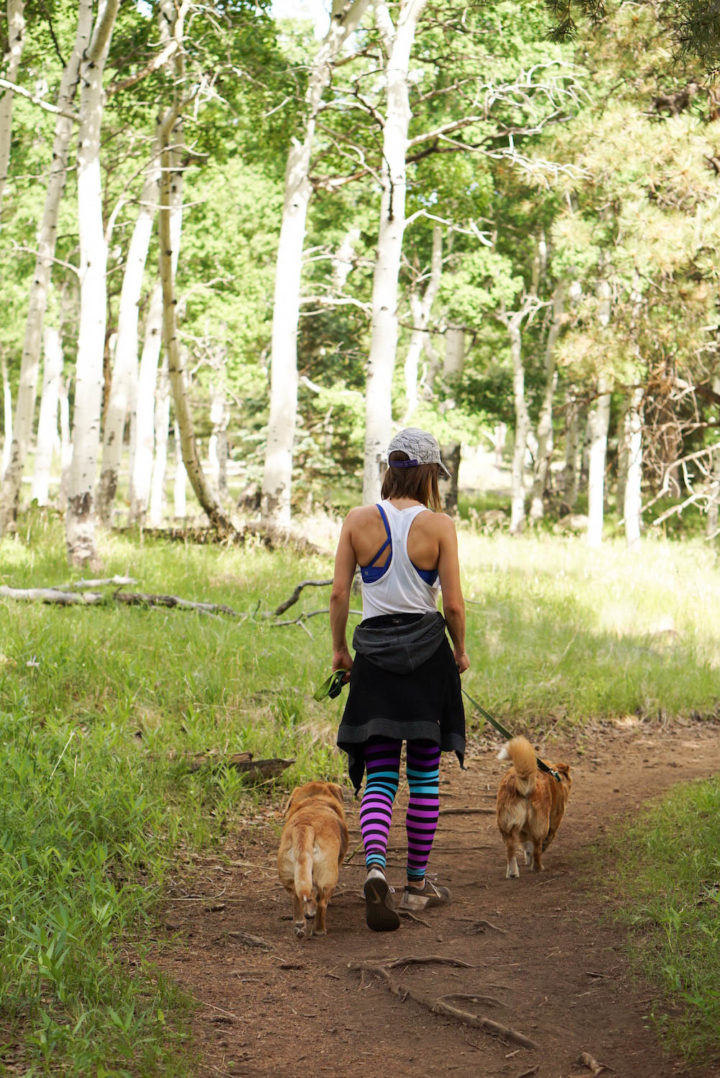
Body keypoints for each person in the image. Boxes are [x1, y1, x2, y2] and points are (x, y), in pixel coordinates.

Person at [330, 428, 469, 932]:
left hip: (374, 660)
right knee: (425, 776)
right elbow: (453, 604)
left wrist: (340, 651)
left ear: (390, 468)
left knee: (381, 773)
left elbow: (339, 594)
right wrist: (460, 651)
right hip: (428, 658)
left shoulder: (357, 520)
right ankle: (414, 886)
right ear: (429, 473)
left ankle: (374, 867)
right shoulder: (439, 526)